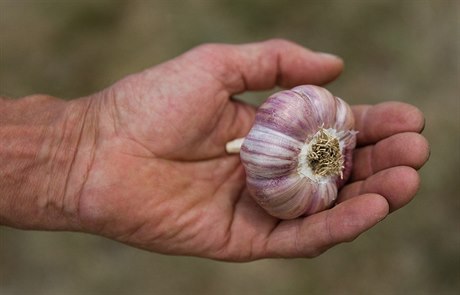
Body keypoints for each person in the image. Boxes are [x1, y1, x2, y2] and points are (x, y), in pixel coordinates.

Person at [0, 39, 429, 261]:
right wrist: (72, 153)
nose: (332, 157)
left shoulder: (329, 141)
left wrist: (72, 154)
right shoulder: (327, 139)